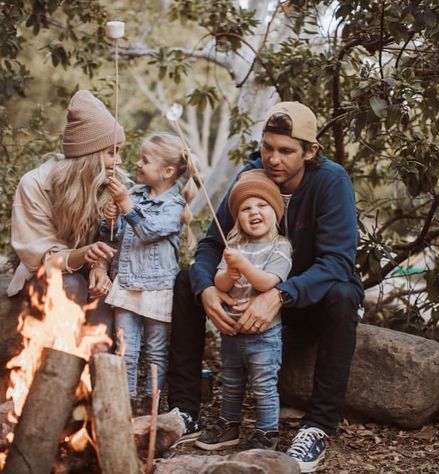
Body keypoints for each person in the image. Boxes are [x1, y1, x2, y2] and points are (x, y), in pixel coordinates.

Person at [166, 101, 363, 472]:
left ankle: (318, 425)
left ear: (310, 151)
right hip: (248, 294)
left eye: (286, 151)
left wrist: (280, 294)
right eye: (267, 147)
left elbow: (337, 261)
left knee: (343, 293)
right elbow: (212, 244)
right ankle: (185, 410)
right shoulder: (252, 174)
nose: (273, 159)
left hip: (305, 298)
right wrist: (208, 290)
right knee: (187, 281)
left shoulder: (330, 182)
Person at [8, 90, 126, 339]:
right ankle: (57, 374)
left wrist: (100, 264)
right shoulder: (35, 184)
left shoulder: (115, 184)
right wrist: (84, 254)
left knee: (102, 333)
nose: (120, 162)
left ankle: (100, 373)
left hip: (95, 274)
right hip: (48, 277)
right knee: (71, 286)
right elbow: (38, 260)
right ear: (90, 155)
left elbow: (118, 240)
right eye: (111, 152)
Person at [194, 170, 292, 451]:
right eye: (245, 208)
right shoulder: (233, 246)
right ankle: (229, 424)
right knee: (231, 383)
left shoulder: (281, 247)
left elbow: (268, 282)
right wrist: (231, 273)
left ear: (275, 211)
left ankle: (266, 432)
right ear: (237, 217)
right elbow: (220, 281)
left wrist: (243, 266)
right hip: (232, 332)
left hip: (264, 335)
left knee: (263, 386)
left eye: (262, 205)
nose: (254, 212)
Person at [101, 132, 197, 409]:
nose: (137, 164)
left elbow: (150, 231)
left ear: (167, 171)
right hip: (127, 282)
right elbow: (114, 236)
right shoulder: (134, 195)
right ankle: (125, 403)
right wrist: (111, 219)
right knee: (125, 349)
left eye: (145, 160)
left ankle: (150, 404)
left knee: (155, 351)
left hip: (157, 287)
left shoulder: (174, 206)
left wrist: (126, 206)